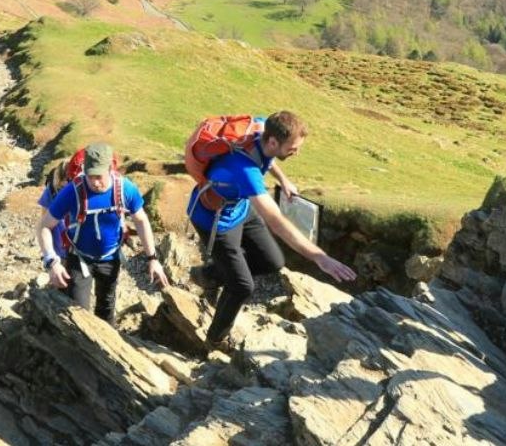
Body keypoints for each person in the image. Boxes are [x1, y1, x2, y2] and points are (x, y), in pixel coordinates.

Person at [187, 110, 356, 351]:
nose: (297, 152)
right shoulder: (245, 171)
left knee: (272, 261)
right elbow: (276, 221)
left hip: (240, 208)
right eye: (293, 148)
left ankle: (210, 275)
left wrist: (283, 179)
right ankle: (215, 340)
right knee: (242, 286)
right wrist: (319, 257)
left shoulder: (262, 126)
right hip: (215, 220)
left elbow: (267, 156)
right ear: (274, 141)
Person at [37, 142, 168, 323]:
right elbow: (44, 226)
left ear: (110, 169)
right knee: (77, 313)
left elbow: (141, 220)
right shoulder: (72, 191)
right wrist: (52, 261)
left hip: (110, 258)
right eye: (90, 176)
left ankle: (108, 346)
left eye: (99, 176)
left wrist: (153, 259)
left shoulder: (125, 189)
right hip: (79, 259)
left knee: (106, 305)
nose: (94, 182)